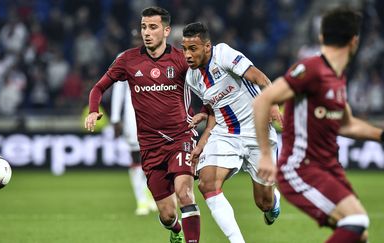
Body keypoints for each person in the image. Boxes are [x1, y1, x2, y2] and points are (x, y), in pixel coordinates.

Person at [254, 7, 384, 243]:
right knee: (356, 221)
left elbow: (347, 125)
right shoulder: (312, 69)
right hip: (302, 168)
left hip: (328, 169)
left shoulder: (337, 77)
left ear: (322, 36)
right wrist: (265, 155)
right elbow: (263, 99)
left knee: (359, 234)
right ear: (355, 41)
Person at [85, 7, 201, 243]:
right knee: (167, 214)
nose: (147, 32)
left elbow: (207, 88)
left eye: (153, 27)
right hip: (149, 146)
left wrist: (208, 113)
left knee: (185, 194)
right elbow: (99, 87)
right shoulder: (128, 60)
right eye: (144, 27)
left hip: (181, 138)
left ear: (166, 31)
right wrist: (94, 110)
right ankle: (175, 230)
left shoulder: (182, 59)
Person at [181, 22, 283, 243]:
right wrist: (202, 139)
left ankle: (273, 201)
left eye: (193, 49)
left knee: (263, 203)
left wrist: (272, 101)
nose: (187, 55)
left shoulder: (224, 54)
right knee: (207, 183)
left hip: (258, 133)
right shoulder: (192, 78)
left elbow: (258, 76)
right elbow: (214, 109)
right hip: (226, 133)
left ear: (207, 47)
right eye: (184, 49)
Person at [110, 29, 157, 216]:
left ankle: (153, 195)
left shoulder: (159, 56)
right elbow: (118, 90)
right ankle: (141, 200)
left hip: (156, 116)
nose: (140, 40)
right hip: (132, 116)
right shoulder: (124, 58)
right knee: (136, 158)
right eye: (137, 37)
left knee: (155, 160)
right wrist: (115, 118)